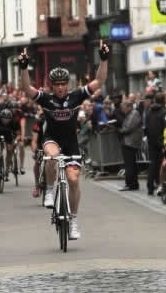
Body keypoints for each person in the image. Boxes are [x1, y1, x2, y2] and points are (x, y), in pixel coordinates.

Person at [18, 41, 109, 241]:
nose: (60, 88)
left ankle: (74, 220)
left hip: (71, 142)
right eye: (56, 85)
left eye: (62, 84)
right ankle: (49, 191)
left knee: (74, 180)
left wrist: (103, 60)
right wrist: (24, 69)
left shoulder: (77, 96)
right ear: (52, 85)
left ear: (67, 84)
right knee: (52, 157)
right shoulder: (46, 98)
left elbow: (99, 81)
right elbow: (27, 89)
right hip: (52, 139)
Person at [118, 101, 142, 191]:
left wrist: (119, 130)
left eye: (123, 107)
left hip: (130, 143)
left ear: (129, 107)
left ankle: (131, 184)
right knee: (130, 164)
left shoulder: (134, 114)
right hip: (128, 142)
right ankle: (133, 183)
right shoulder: (130, 114)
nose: (122, 110)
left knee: (129, 165)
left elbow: (128, 128)